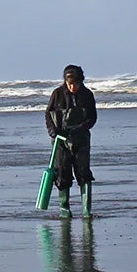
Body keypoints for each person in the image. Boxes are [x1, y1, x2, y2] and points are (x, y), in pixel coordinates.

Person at [45, 64, 98, 219]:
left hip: (81, 139)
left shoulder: (87, 95)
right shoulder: (57, 94)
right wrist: (53, 132)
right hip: (60, 141)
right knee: (62, 173)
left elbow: (92, 118)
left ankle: (86, 210)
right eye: (69, 84)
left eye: (75, 83)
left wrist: (79, 128)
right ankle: (64, 208)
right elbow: (48, 114)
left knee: (84, 173)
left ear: (81, 81)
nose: (72, 87)